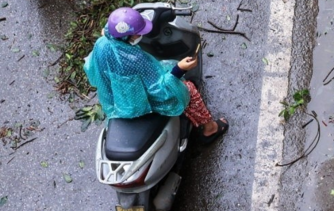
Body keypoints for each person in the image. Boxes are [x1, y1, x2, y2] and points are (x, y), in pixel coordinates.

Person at [84, 7, 228, 144]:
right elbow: (160, 89)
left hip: (115, 101)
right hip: (138, 104)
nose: (140, 35)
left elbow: (90, 69)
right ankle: (210, 129)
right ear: (126, 36)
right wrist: (179, 69)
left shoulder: (101, 44)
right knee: (187, 89)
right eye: (137, 33)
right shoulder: (135, 59)